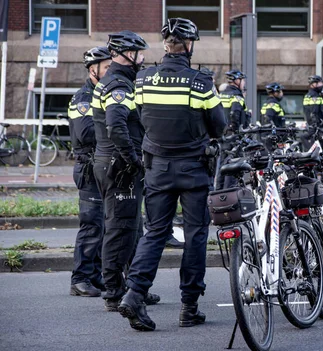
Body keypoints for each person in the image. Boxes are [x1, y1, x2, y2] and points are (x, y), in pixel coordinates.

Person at [118, 18, 226, 331]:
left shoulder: (142, 79)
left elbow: (138, 116)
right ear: (188, 45)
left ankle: (135, 293)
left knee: (154, 233)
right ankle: (188, 307)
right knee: (195, 236)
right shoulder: (200, 82)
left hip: (158, 169)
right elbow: (219, 125)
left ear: (166, 45)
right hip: (193, 170)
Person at [91, 30, 158, 311]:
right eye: (139, 53)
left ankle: (131, 287)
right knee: (119, 230)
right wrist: (133, 160)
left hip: (111, 163)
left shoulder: (118, 81)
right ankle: (113, 291)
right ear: (126, 53)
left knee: (131, 229)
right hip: (118, 167)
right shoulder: (118, 84)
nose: (142, 58)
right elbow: (117, 127)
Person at [68, 46, 112, 297]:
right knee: (91, 225)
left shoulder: (101, 94)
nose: (109, 71)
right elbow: (85, 133)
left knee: (102, 226)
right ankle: (80, 278)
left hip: (101, 167)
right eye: (105, 67)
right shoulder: (83, 97)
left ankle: (95, 276)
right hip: (88, 168)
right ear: (92, 70)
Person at [216, 69, 248, 189]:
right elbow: (235, 114)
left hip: (223, 135)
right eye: (243, 80)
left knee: (223, 165)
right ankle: (230, 193)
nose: (244, 83)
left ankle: (219, 192)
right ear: (237, 81)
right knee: (234, 166)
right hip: (234, 137)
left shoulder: (221, 95)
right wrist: (236, 133)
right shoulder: (236, 96)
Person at [302, 75, 323, 150]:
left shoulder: (314, 95)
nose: (321, 85)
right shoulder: (313, 96)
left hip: (317, 127)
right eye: (319, 83)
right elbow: (313, 112)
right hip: (317, 128)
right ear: (313, 84)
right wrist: (317, 125)